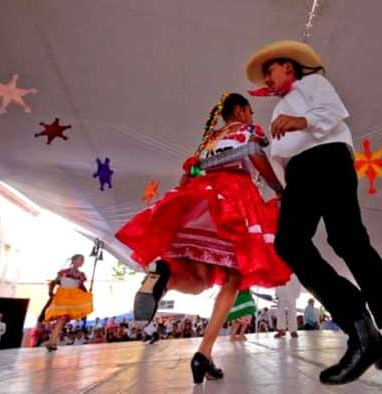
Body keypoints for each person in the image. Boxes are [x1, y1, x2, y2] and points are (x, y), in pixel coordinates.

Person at [245, 40, 382, 384]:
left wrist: (299, 121)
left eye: (271, 71)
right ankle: (361, 330)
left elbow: (333, 113)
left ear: (289, 67)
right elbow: (284, 153)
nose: (267, 79)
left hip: (328, 158)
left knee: (346, 238)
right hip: (299, 174)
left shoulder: (312, 84)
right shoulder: (279, 110)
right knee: (289, 244)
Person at [115, 93, 291, 384]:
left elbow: (189, 175)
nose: (252, 116)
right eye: (250, 111)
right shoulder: (247, 131)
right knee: (233, 279)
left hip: (202, 201)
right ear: (240, 110)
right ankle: (204, 351)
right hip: (234, 198)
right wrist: (277, 187)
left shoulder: (209, 139)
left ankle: (166, 277)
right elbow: (256, 155)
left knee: (199, 281)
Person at [43, 254, 93, 352]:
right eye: (80, 260)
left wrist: (87, 294)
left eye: (83, 260)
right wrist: (50, 292)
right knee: (61, 320)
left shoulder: (81, 275)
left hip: (72, 299)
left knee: (61, 321)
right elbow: (54, 282)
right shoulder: (64, 272)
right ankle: (51, 342)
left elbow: (81, 288)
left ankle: (52, 342)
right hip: (62, 297)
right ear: (73, 260)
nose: (82, 262)